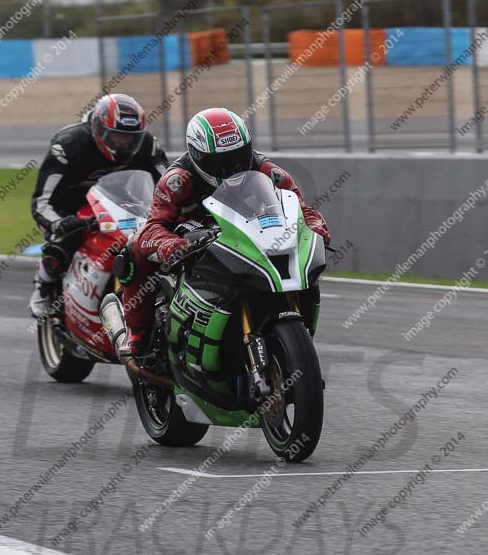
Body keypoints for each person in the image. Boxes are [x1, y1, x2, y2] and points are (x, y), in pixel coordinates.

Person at [117, 107, 330, 357]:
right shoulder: (177, 181)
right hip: (192, 239)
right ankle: (137, 333)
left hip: (245, 233)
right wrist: (173, 244)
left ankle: (296, 327)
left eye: (239, 156)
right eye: (219, 162)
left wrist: (316, 228)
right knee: (133, 248)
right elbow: (153, 228)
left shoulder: (269, 172)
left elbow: (301, 210)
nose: (232, 167)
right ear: (198, 156)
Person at [29, 93, 168, 318]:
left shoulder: (148, 145)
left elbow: (167, 187)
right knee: (61, 243)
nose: (124, 143)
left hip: (121, 201)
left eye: (130, 138)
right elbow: (42, 201)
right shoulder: (68, 144)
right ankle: (42, 286)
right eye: (117, 136)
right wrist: (59, 223)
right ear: (99, 128)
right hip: (70, 206)